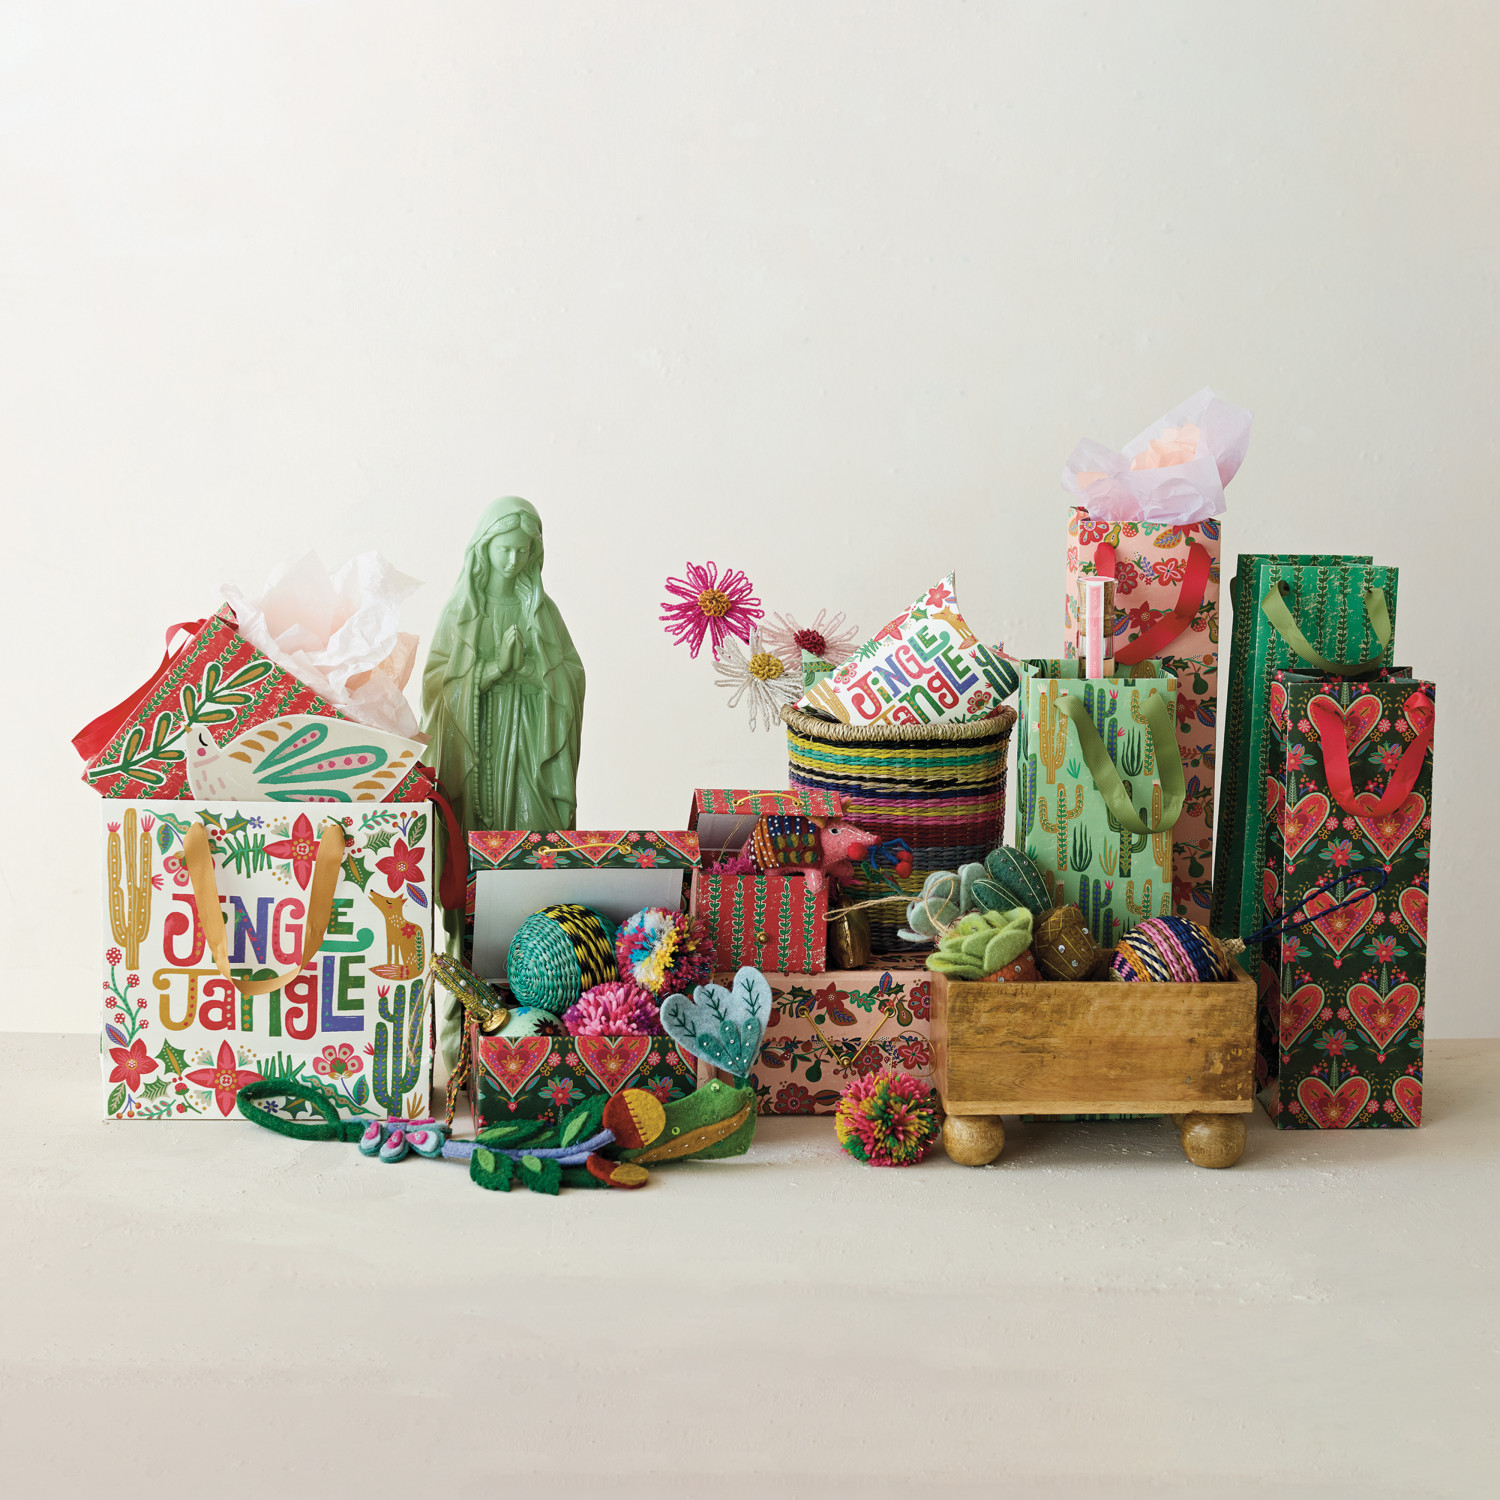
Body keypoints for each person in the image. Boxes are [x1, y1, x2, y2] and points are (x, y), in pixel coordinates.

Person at [422, 496, 585, 956]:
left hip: (530, 753)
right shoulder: (461, 612)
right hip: (474, 755)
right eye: (504, 549)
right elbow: (436, 685)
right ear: (484, 547)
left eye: (522, 550)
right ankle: (473, 966)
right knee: (470, 850)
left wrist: (529, 671)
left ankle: (540, 958)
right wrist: (493, 670)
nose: (513, 560)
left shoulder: (542, 612)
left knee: (535, 846)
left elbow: (571, 678)